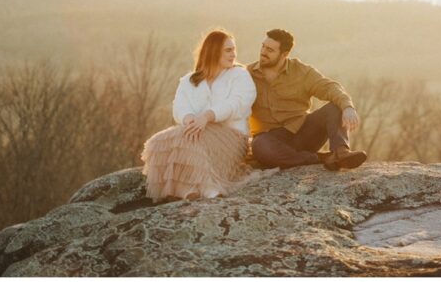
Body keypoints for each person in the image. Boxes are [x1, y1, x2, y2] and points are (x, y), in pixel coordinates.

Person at [141, 28, 258, 201]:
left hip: (232, 137)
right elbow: (179, 107)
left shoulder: (240, 75)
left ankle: (208, 187)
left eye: (234, 49)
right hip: (197, 133)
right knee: (159, 142)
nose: (234, 54)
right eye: (228, 50)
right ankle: (185, 190)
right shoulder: (190, 80)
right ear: (213, 51)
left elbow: (238, 103)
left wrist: (208, 116)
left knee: (189, 140)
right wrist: (191, 121)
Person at [248, 28, 367, 171]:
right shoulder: (247, 74)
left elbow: (329, 87)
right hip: (269, 139)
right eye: (263, 46)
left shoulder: (301, 72)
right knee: (260, 147)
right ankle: (322, 158)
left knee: (334, 107)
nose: (263, 52)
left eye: (270, 50)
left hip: (303, 133)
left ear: (284, 55)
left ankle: (341, 152)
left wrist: (348, 107)